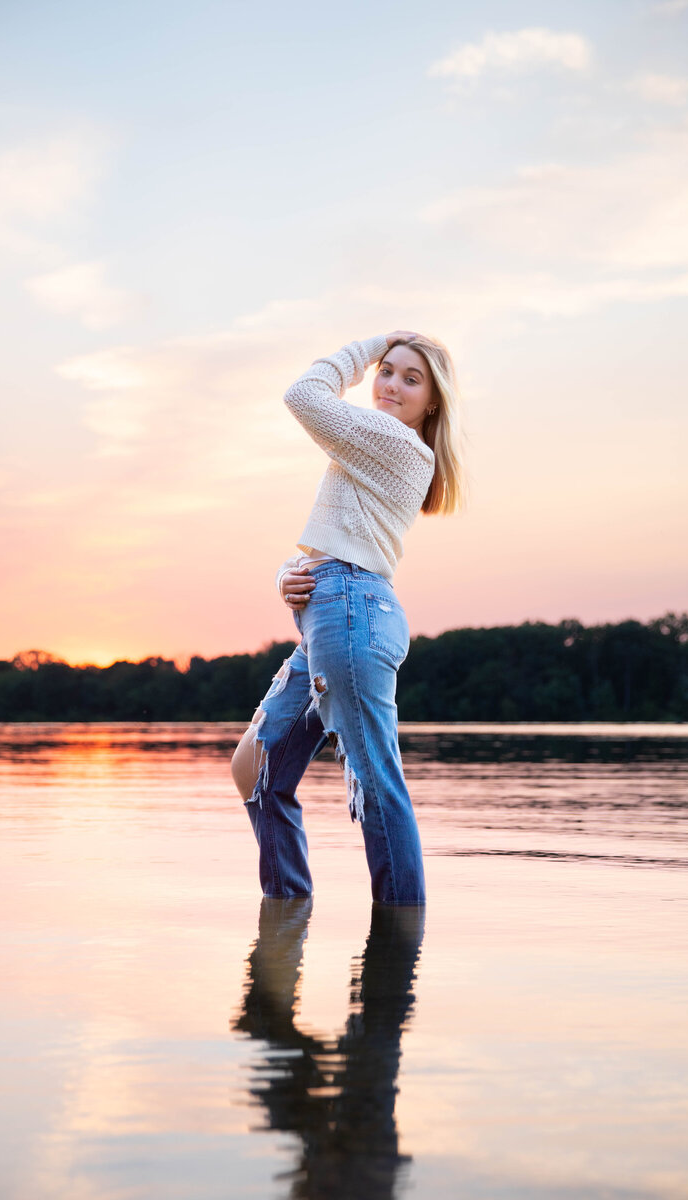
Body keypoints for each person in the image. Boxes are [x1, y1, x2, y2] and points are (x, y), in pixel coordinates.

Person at [230, 330, 466, 905]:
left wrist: (370, 346)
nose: (390, 384)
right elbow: (343, 534)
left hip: (354, 611)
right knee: (254, 768)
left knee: (378, 786)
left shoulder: (397, 441)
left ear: (432, 402)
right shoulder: (372, 445)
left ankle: (398, 941)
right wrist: (288, 575)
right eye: (387, 370)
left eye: (411, 379)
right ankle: (285, 916)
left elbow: (303, 395)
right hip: (334, 610)